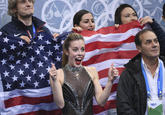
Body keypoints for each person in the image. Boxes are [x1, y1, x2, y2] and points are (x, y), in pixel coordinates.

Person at [49, 33, 119, 115]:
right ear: (66, 51)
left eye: (82, 49)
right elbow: (60, 104)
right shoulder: (57, 74)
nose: (80, 53)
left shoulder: (92, 71)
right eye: (75, 50)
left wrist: (110, 81)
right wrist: (55, 80)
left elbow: (101, 101)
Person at [117, 29, 165, 115]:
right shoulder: (129, 73)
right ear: (139, 48)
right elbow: (123, 107)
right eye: (148, 42)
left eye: (156, 41)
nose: (154, 45)